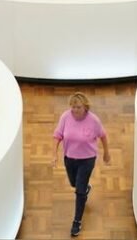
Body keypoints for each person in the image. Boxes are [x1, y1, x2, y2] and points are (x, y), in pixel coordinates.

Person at [52, 92, 111, 237]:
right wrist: (54, 154)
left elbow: (103, 136)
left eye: (78, 107)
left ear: (85, 107)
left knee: (79, 190)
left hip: (87, 159)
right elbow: (57, 136)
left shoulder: (93, 120)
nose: (75, 110)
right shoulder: (65, 117)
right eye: (73, 107)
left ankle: (77, 221)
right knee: (74, 183)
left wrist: (106, 153)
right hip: (69, 158)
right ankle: (85, 188)